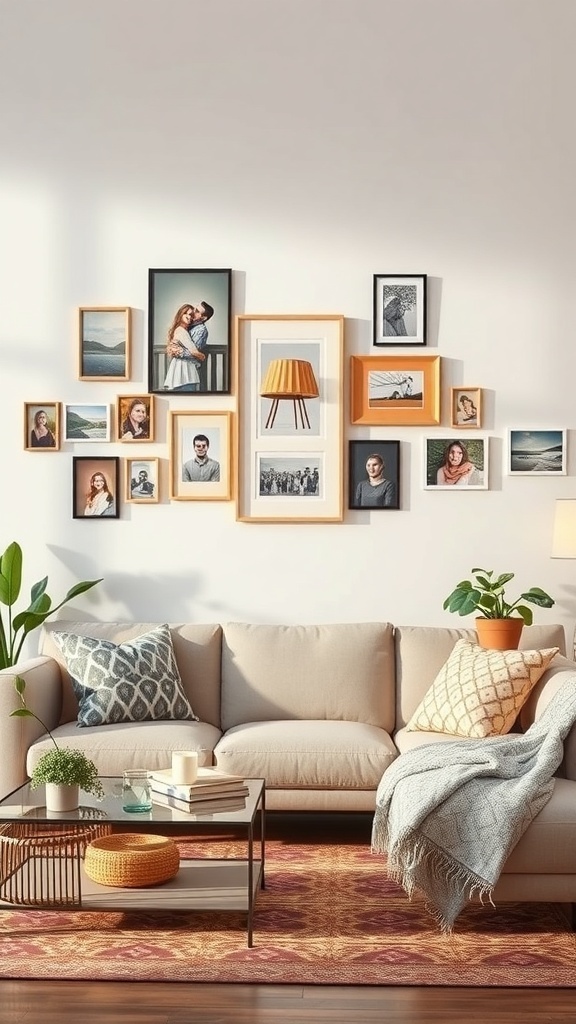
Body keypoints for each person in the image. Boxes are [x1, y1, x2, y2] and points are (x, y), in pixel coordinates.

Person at [165, 301, 214, 392]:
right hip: (180, 369)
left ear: (203, 317)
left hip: (188, 369)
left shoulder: (201, 330)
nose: (193, 312)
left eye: (197, 311)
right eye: (195, 309)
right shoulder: (187, 326)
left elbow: (193, 353)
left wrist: (177, 350)